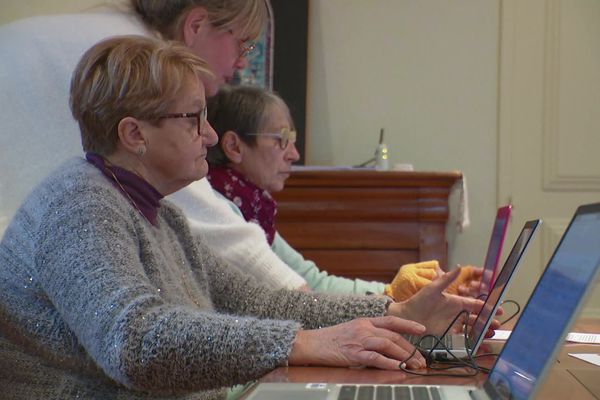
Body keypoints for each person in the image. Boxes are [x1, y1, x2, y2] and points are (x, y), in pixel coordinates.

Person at [0, 35, 482, 399]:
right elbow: (135, 341)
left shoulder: (159, 214)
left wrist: (394, 314)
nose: (210, 136)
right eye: (193, 118)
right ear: (133, 134)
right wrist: (300, 344)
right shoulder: (78, 205)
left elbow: (263, 303)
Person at [0, 0, 307, 291]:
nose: (243, 60)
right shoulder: (141, 61)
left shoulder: (160, 218)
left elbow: (240, 292)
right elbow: (144, 329)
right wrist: (310, 324)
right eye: (242, 43)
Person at [204, 85, 481, 297]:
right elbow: (302, 298)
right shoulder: (221, 212)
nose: (294, 154)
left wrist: (415, 292)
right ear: (234, 147)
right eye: (281, 140)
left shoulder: (253, 210)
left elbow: (314, 282)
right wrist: (396, 298)